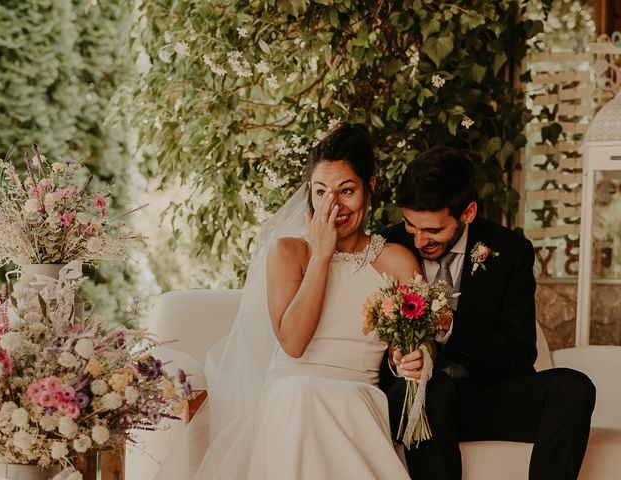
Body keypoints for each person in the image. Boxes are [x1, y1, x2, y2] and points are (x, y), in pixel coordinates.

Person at [157, 123, 419, 479]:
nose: (334, 206)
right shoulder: (289, 252)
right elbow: (293, 343)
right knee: (301, 392)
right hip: (291, 393)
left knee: (320, 400)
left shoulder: (397, 261)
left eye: (347, 190)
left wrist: (412, 358)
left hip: (358, 395)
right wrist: (321, 256)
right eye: (321, 191)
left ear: (369, 188)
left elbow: (415, 345)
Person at [380, 146, 596, 480]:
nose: (420, 241)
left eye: (433, 231)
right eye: (412, 226)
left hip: (485, 397)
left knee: (573, 388)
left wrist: (451, 327)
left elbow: (519, 356)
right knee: (434, 390)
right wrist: (398, 360)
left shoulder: (509, 251)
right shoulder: (387, 246)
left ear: (467, 213)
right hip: (418, 400)